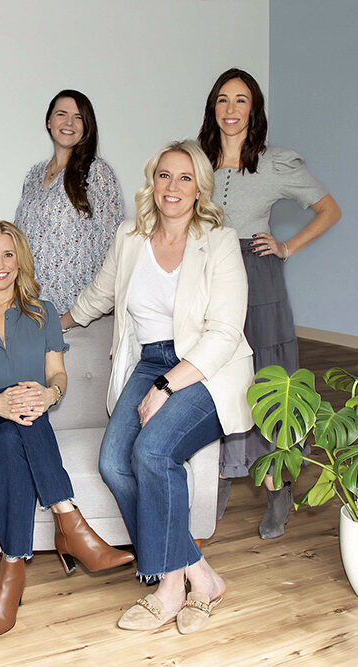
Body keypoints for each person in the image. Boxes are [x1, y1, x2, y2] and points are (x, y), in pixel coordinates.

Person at [60, 140, 253, 634]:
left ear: (199, 189)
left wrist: (168, 385)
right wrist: (52, 323)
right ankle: (199, 573)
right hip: (148, 363)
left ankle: (168, 586)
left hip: (207, 369)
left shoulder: (220, 241)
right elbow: (100, 294)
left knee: (151, 452)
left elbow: (226, 332)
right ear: (153, 182)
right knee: (111, 461)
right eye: (165, 176)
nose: (173, 187)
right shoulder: (130, 237)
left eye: (185, 178)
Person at [0, 220, 134, 640]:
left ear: (21, 261)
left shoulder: (43, 313)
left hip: (19, 421)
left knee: (16, 429)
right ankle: (71, 523)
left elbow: (57, 376)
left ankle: (11, 570)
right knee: (16, 403)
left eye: (8, 254)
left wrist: (49, 396)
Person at [198, 68, 342, 538]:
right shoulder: (196, 160)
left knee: (265, 378)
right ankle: (218, 479)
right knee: (213, 374)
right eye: (223, 100)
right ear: (212, 108)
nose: (231, 109)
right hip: (208, 272)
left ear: (254, 110)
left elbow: (329, 210)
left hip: (257, 275)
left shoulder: (277, 163)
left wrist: (286, 247)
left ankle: (279, 490)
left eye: (241, 100)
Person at [14, 89, 125, 312]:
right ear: (49, 121)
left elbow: (115, 246)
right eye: (61, 114)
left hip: (77, 313)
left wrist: (93, 306)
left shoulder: (97, 173)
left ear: (87, 126)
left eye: (78, 117)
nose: (69, 123)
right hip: (29, 307)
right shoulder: (34, 174)